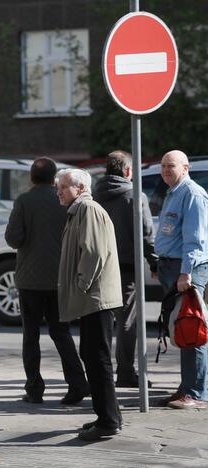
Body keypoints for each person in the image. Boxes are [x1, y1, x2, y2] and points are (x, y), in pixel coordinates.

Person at [4, 157, 89, 405]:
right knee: (61, 333)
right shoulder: (64, 200)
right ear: (54, 179)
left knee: (30, 336)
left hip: (30, 280)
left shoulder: (24, 201)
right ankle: (77, 383)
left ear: (31, 177)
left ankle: (34, 389)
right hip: (60, 278)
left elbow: (13, 238)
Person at [56, 168, 123, 441]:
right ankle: (107, 416)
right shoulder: (78, 210)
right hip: (91, 298)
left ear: (81, 187)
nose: (58, 191)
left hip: (95, 298)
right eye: (58, 187)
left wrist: (81, 285)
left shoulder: (88, 210)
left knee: (98, 359)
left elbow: (93, 252)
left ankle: (108, 421)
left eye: (63, 187)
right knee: (93, 357)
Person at [93, 150, 158, 388]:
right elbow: (146, 234)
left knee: (100, 323)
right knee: (127, 323)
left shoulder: (94, 195)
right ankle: (126, 372)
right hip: (126, 268)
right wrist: (154, 261)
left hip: (98, 268)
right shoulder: (134, 196)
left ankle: (101, 373)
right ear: (128, 171)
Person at [154, 150, 208, 409]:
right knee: (180, 328)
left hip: (186, 270)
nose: (165, 170)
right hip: (171, 268)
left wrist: (186, 273)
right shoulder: (173, 192)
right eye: (163, 165)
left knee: (192, 328)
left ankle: (197, 393)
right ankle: (187, 386)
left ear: (185, 168)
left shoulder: (192, 194)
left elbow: (194, 240)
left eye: (171, 166)